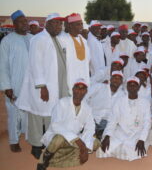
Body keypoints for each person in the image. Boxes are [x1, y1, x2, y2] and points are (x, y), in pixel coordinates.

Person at [16, 13, 66, 158]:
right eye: (56, 23)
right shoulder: (39, 39)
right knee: (37, 116)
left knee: (50, 116)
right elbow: (35, 64)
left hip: (55, 85)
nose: (59, 26)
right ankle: (36, 146)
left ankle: (47, 142)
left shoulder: (56, 39)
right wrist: (42, 87)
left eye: (60, 24)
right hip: (43, 86)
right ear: (48, 24)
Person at [37, 79, 99, 170]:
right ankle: (45, 161)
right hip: (57, 138)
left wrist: (84, 148)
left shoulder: (87, 108)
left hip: (73, 140)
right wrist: (79, 142)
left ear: (85, 91)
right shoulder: (62, 103)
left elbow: (90, 128)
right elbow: (55, 125)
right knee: (59, 139)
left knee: (96, 143)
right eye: (77, 88)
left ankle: (57, 158)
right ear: (73, 89)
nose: (79, 91)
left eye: (82, 89)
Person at [0, 10, 32, 152]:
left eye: (26, 21)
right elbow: (3, 65)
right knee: (14, 112)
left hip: (31, 83)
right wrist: (6, 86)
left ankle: (27, 135)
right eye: (21, 21)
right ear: (14, 24)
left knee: (28, 111)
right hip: (15, 82)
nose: (25, 24)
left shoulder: (32, 38)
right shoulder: (7, 41)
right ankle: (13, 140)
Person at [97, 76, 151, 161]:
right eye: (130, 85)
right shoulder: (119, 101)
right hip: (121, 131)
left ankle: (124, 149)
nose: (132, 87)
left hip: (137, 133)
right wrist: (107, 136)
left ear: (138, 87)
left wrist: (141, 139)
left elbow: (147, 123)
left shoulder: (145, 102)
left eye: (135, 85)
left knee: (136, 151)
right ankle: (120, 148)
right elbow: (113, 120)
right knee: (103, 148)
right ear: (127, 87)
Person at [86, 71, 124, 140]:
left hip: (107, 125)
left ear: (121, 82)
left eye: (119, 79)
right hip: (92, 119)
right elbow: (85, 97)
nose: (116, 80)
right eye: (115, 77)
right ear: (110, 79)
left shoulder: (123, 96)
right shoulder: (99, 87)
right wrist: (87, 114)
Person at [59, 13, 90, 93]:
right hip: (70, 78)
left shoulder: (84, 40)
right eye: (78, 24)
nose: (81, 27)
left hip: (84, 77)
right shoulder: (62, 39)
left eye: (81, 24)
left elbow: (88, 60)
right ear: (70, 26)